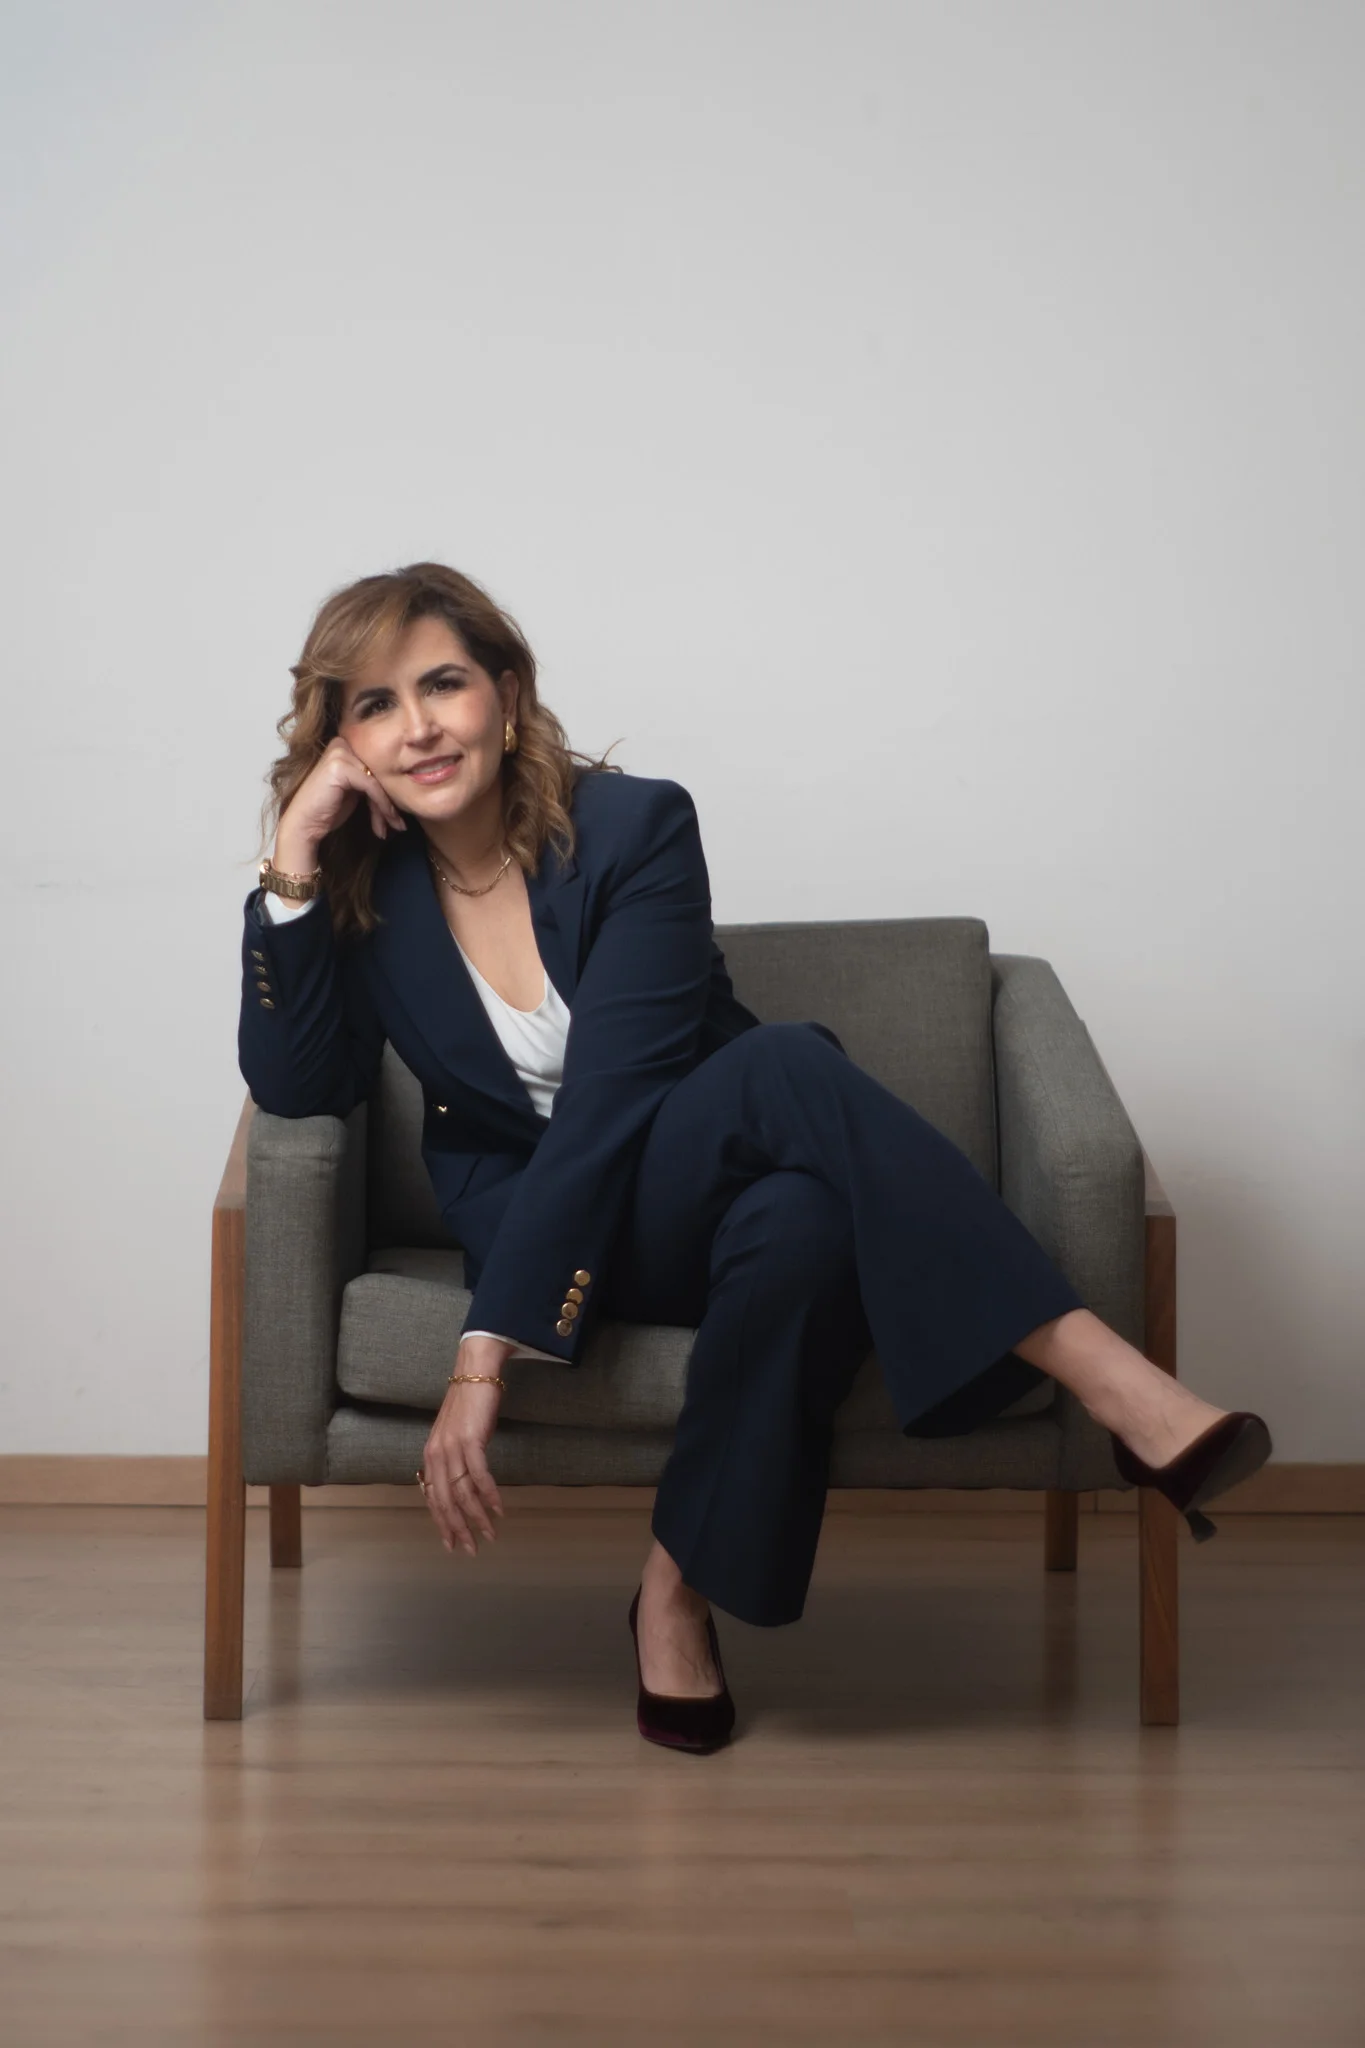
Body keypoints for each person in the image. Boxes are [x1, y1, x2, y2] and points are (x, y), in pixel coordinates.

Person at [238, 561, 1273, 1755]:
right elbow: (300, 1086)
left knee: (797, 1191)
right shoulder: (360, 893)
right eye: (375, 704)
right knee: (794, 1124)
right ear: (344, 739)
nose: (416, 726)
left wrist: (479, 1358)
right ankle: (1116, 1383)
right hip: (542, 1236)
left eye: (443, 684)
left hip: (686, 1194)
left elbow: (619, 1099)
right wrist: (293, 855)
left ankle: (673, 1589)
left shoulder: (633, 829)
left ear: (506, 697)